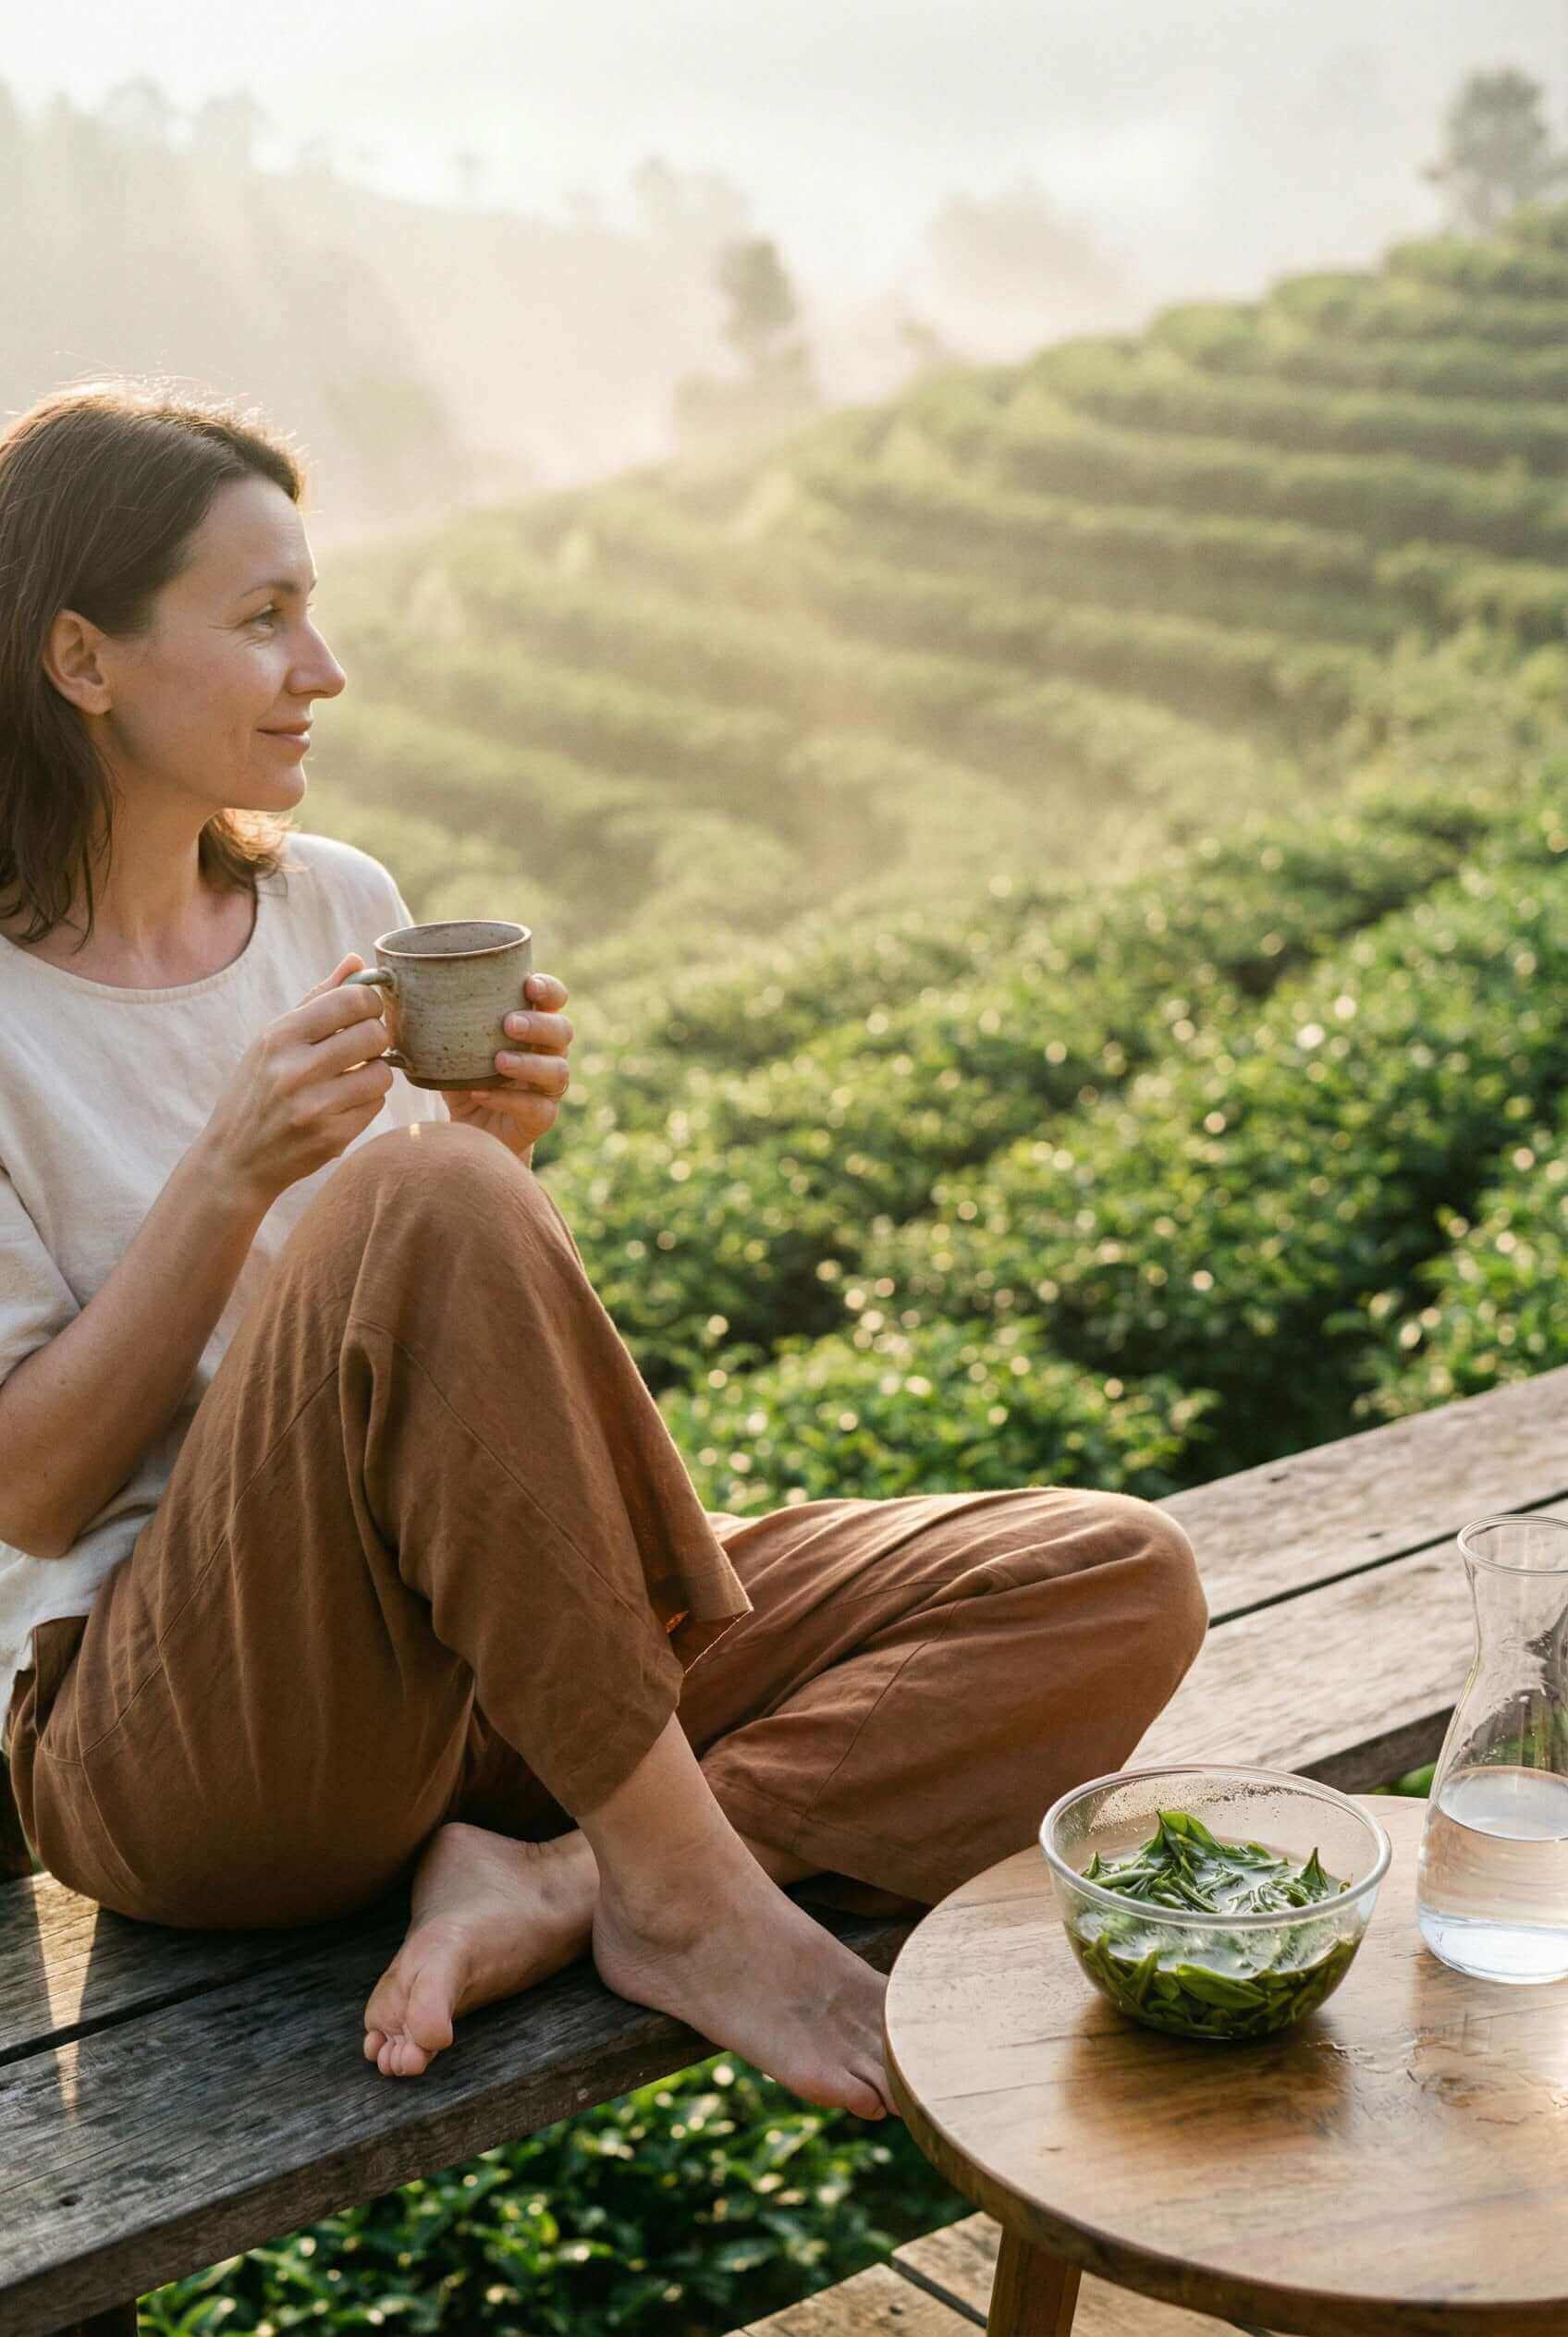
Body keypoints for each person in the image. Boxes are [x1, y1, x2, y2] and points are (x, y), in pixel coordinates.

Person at [0, 381, 1208, 2122]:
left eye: (313, 610)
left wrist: (493, 1162)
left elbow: (426, 1362)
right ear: (81, 658)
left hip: (468, 1680)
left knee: (1109, 1576)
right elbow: (31, 1493)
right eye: (263, 619)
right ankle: (695, 1895)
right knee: (425, 1200)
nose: (323, 668)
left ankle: (576, 1880)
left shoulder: (338, 904)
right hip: (183, 1735)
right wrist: (234, 1180)